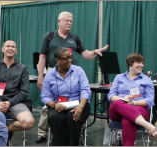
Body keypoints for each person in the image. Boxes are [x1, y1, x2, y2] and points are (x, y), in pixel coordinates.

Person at [36, 10, 109, 143]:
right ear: (59, 22)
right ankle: (43, 133)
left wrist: (94, 52)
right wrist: (41, 76)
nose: (69, 23)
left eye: (71, 21)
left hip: (72, 74)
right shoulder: (50, 36)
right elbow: (42, 56)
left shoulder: (74, 38)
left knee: (72, 116)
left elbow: (85, 54)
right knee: (49, 109)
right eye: (67, 21)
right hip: (53, 71)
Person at [107, 53, 157, 146]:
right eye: (138, 62)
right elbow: (111, 95)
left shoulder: (146, 80)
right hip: (117, 111)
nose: (141, 65)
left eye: (142, 63)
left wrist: (134, 103)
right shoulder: (119, 77)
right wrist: (123, 99)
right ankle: (149, 126)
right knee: (117, 103)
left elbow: (149, 100)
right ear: (130, 64)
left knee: (128, 119)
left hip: (139, 109)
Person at [41, 47, 91, 146]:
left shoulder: (78, 71)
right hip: (58, 105)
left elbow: (85, 90)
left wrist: (80, 107)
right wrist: (54, 105)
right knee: (54, 118)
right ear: (57, 60)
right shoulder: (49, 75)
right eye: (66, 58)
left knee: (73, 117)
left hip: (78, 103)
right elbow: (45, 96)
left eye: (70, 57)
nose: (70, 60)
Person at [0, 40, 35, 134]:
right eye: (8, 46)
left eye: (13, 47)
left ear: (16, 51)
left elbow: (24, 92)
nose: (10, 48)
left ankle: (5, 130)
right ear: (3, 49)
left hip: (15, 102)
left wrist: (9, 102)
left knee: (28, 122)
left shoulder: (22, 68)